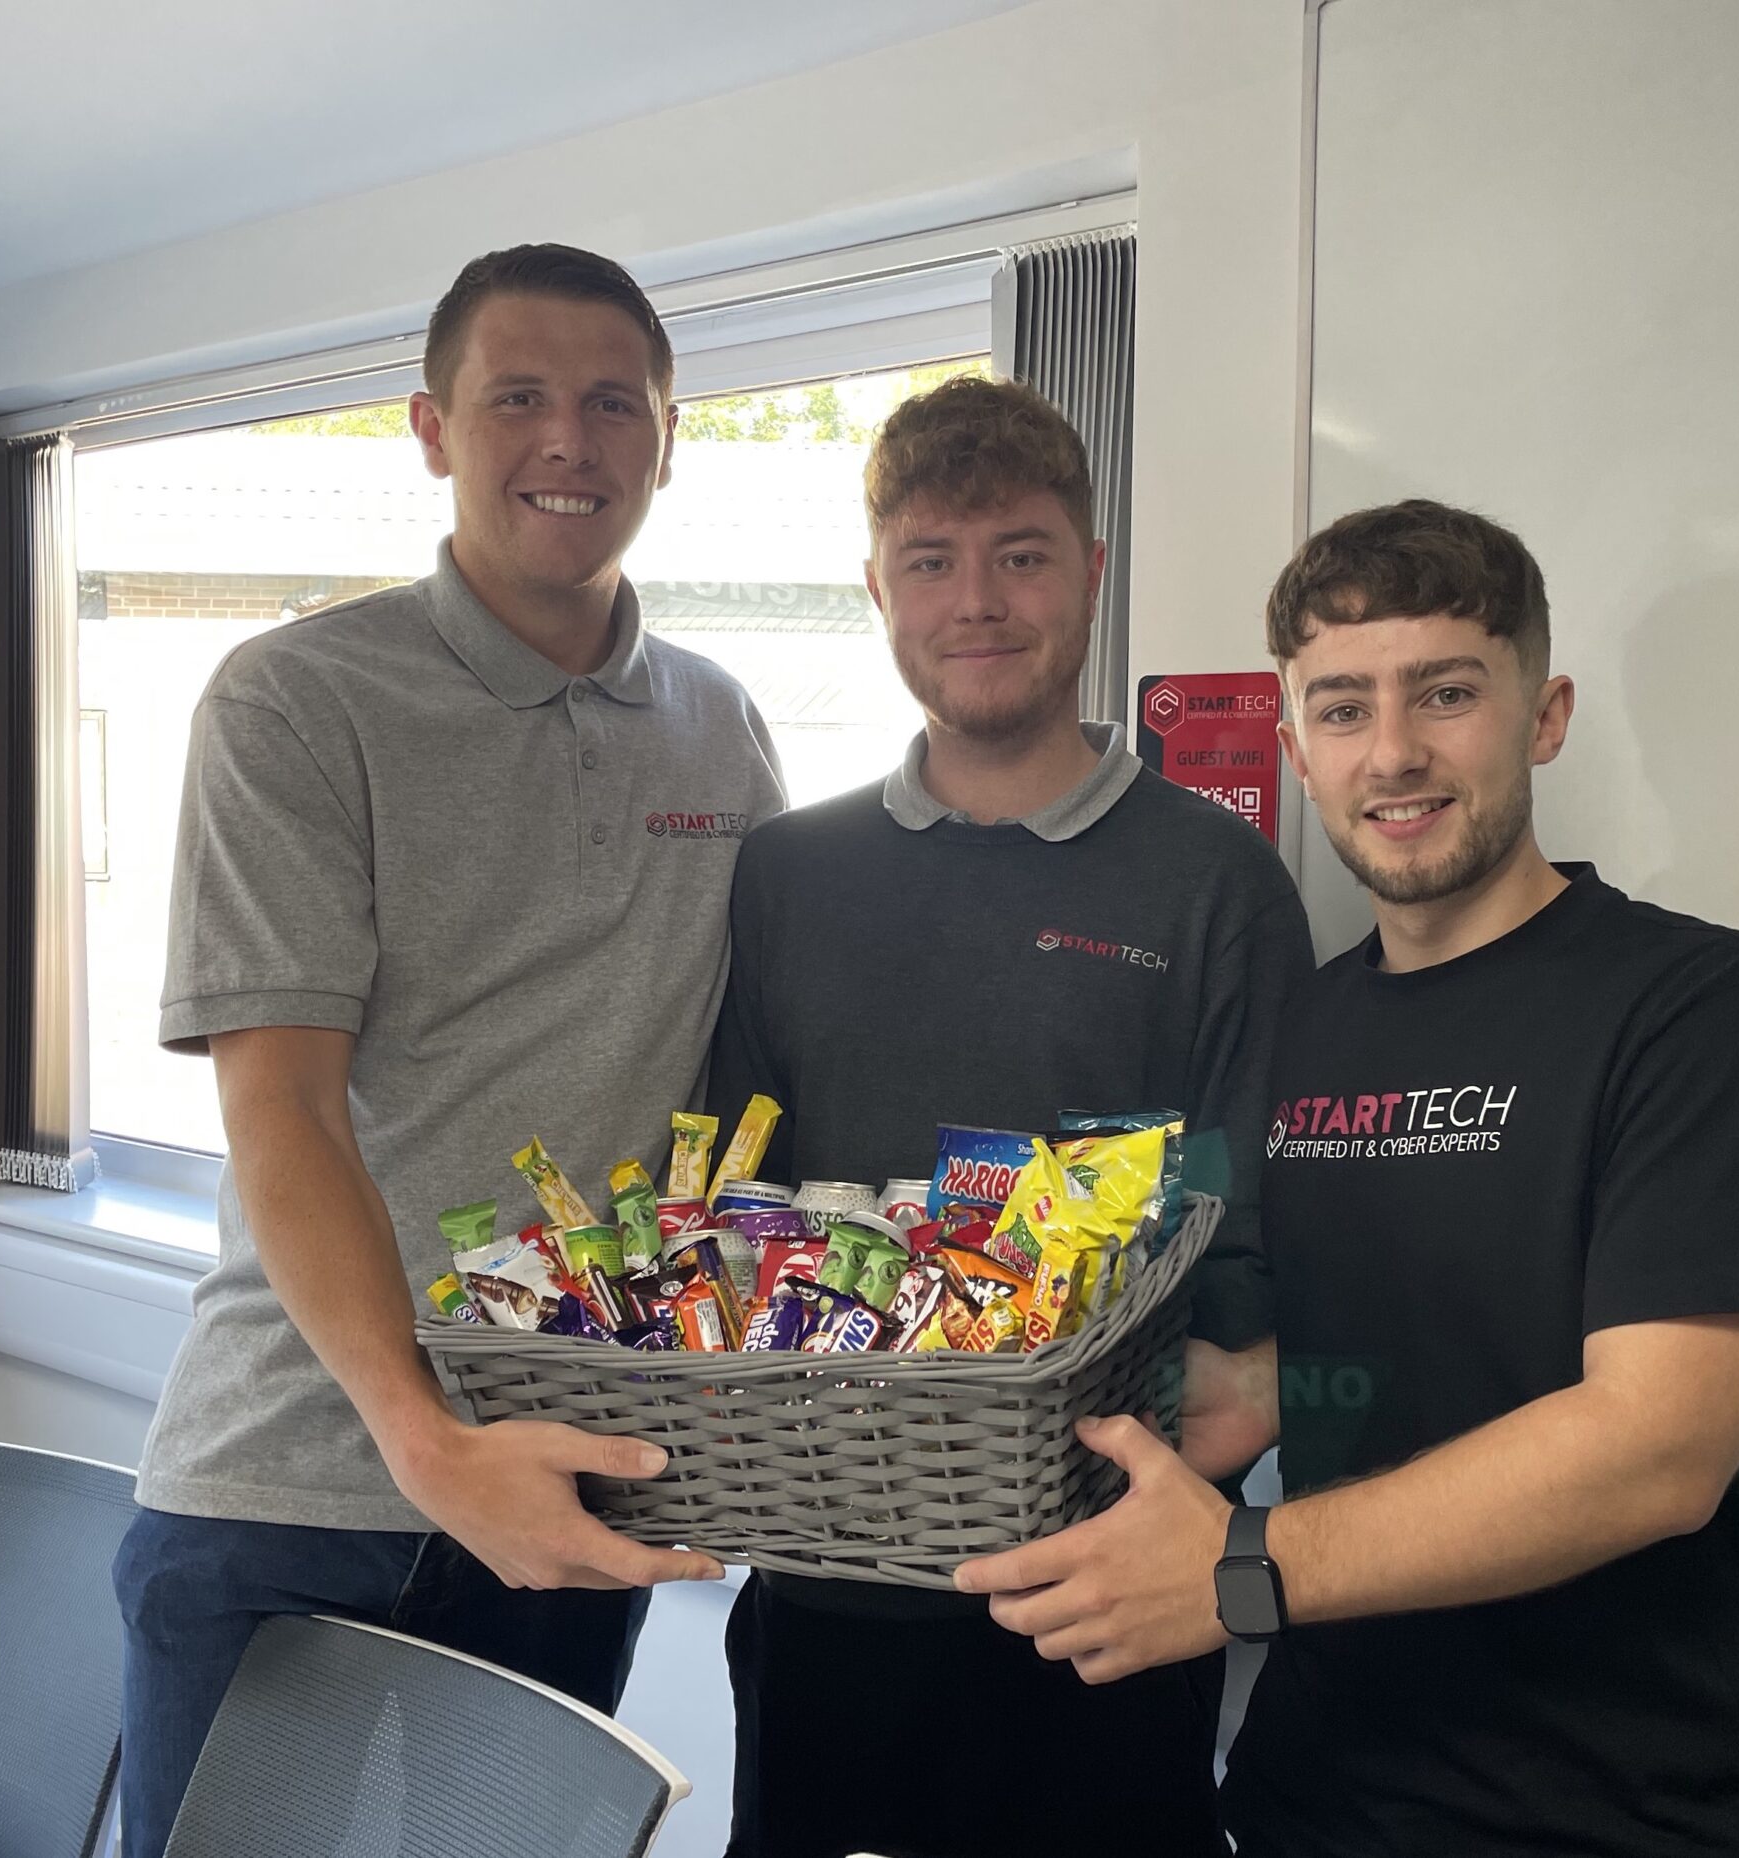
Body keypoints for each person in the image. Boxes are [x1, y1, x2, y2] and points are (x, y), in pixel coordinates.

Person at [962, 498, 1739, 1858]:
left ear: (1543, 713)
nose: (1393, 753)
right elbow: (1320, 1363)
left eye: (1445, 692)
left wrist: (1243, 1569)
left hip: (1615, 1821)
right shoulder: (1306, 1027)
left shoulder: (1707, 1007)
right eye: (1341, 707)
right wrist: (1025, 1410)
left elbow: (1659, 1448)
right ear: (1293, 747)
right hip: (1308, 1800)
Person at [110, 243, 781, 1858]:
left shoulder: (724, 727)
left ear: (669, 440)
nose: (572, 440)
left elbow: (737, 1107)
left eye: (616, 402)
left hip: (559, 1487)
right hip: (297, 1486)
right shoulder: (296, 701)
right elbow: (281, 1107)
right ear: (430, 426)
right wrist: (429, 1447)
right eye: (520, 398)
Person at [704, 375, 1316, 1858]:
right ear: (878, 590)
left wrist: (1140, 1519)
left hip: (1104, 1603)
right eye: (932, 561)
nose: (977, 602)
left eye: (1024, 554)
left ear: (1093, 575)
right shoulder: (789, 871)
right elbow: (733, 1213)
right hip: (828, 1593)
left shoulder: (1215, 882)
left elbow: (1267, 1258)